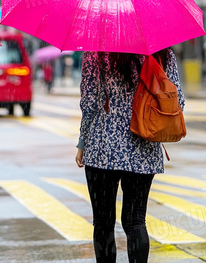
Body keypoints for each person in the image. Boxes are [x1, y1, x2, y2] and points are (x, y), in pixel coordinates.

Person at [75, 48, 184, 263]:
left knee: (103, 223)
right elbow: (177, 100)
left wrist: (82, 142)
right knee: (135, 221)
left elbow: (89, 102)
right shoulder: (162, 53)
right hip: (144, 146)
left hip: (102, 148)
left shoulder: (96, 52)